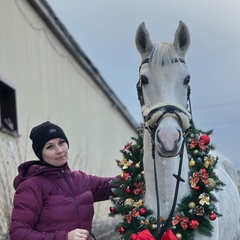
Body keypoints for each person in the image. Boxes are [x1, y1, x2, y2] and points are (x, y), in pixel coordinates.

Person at [9, 121, 116, 240]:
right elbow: (18, 234)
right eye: (50, 147)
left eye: (61, 142)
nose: (59, 150)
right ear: (41, 153)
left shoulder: (81, 180)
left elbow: (114, 185)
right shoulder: (32, 186)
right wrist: (64, 237)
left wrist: (136, 167)